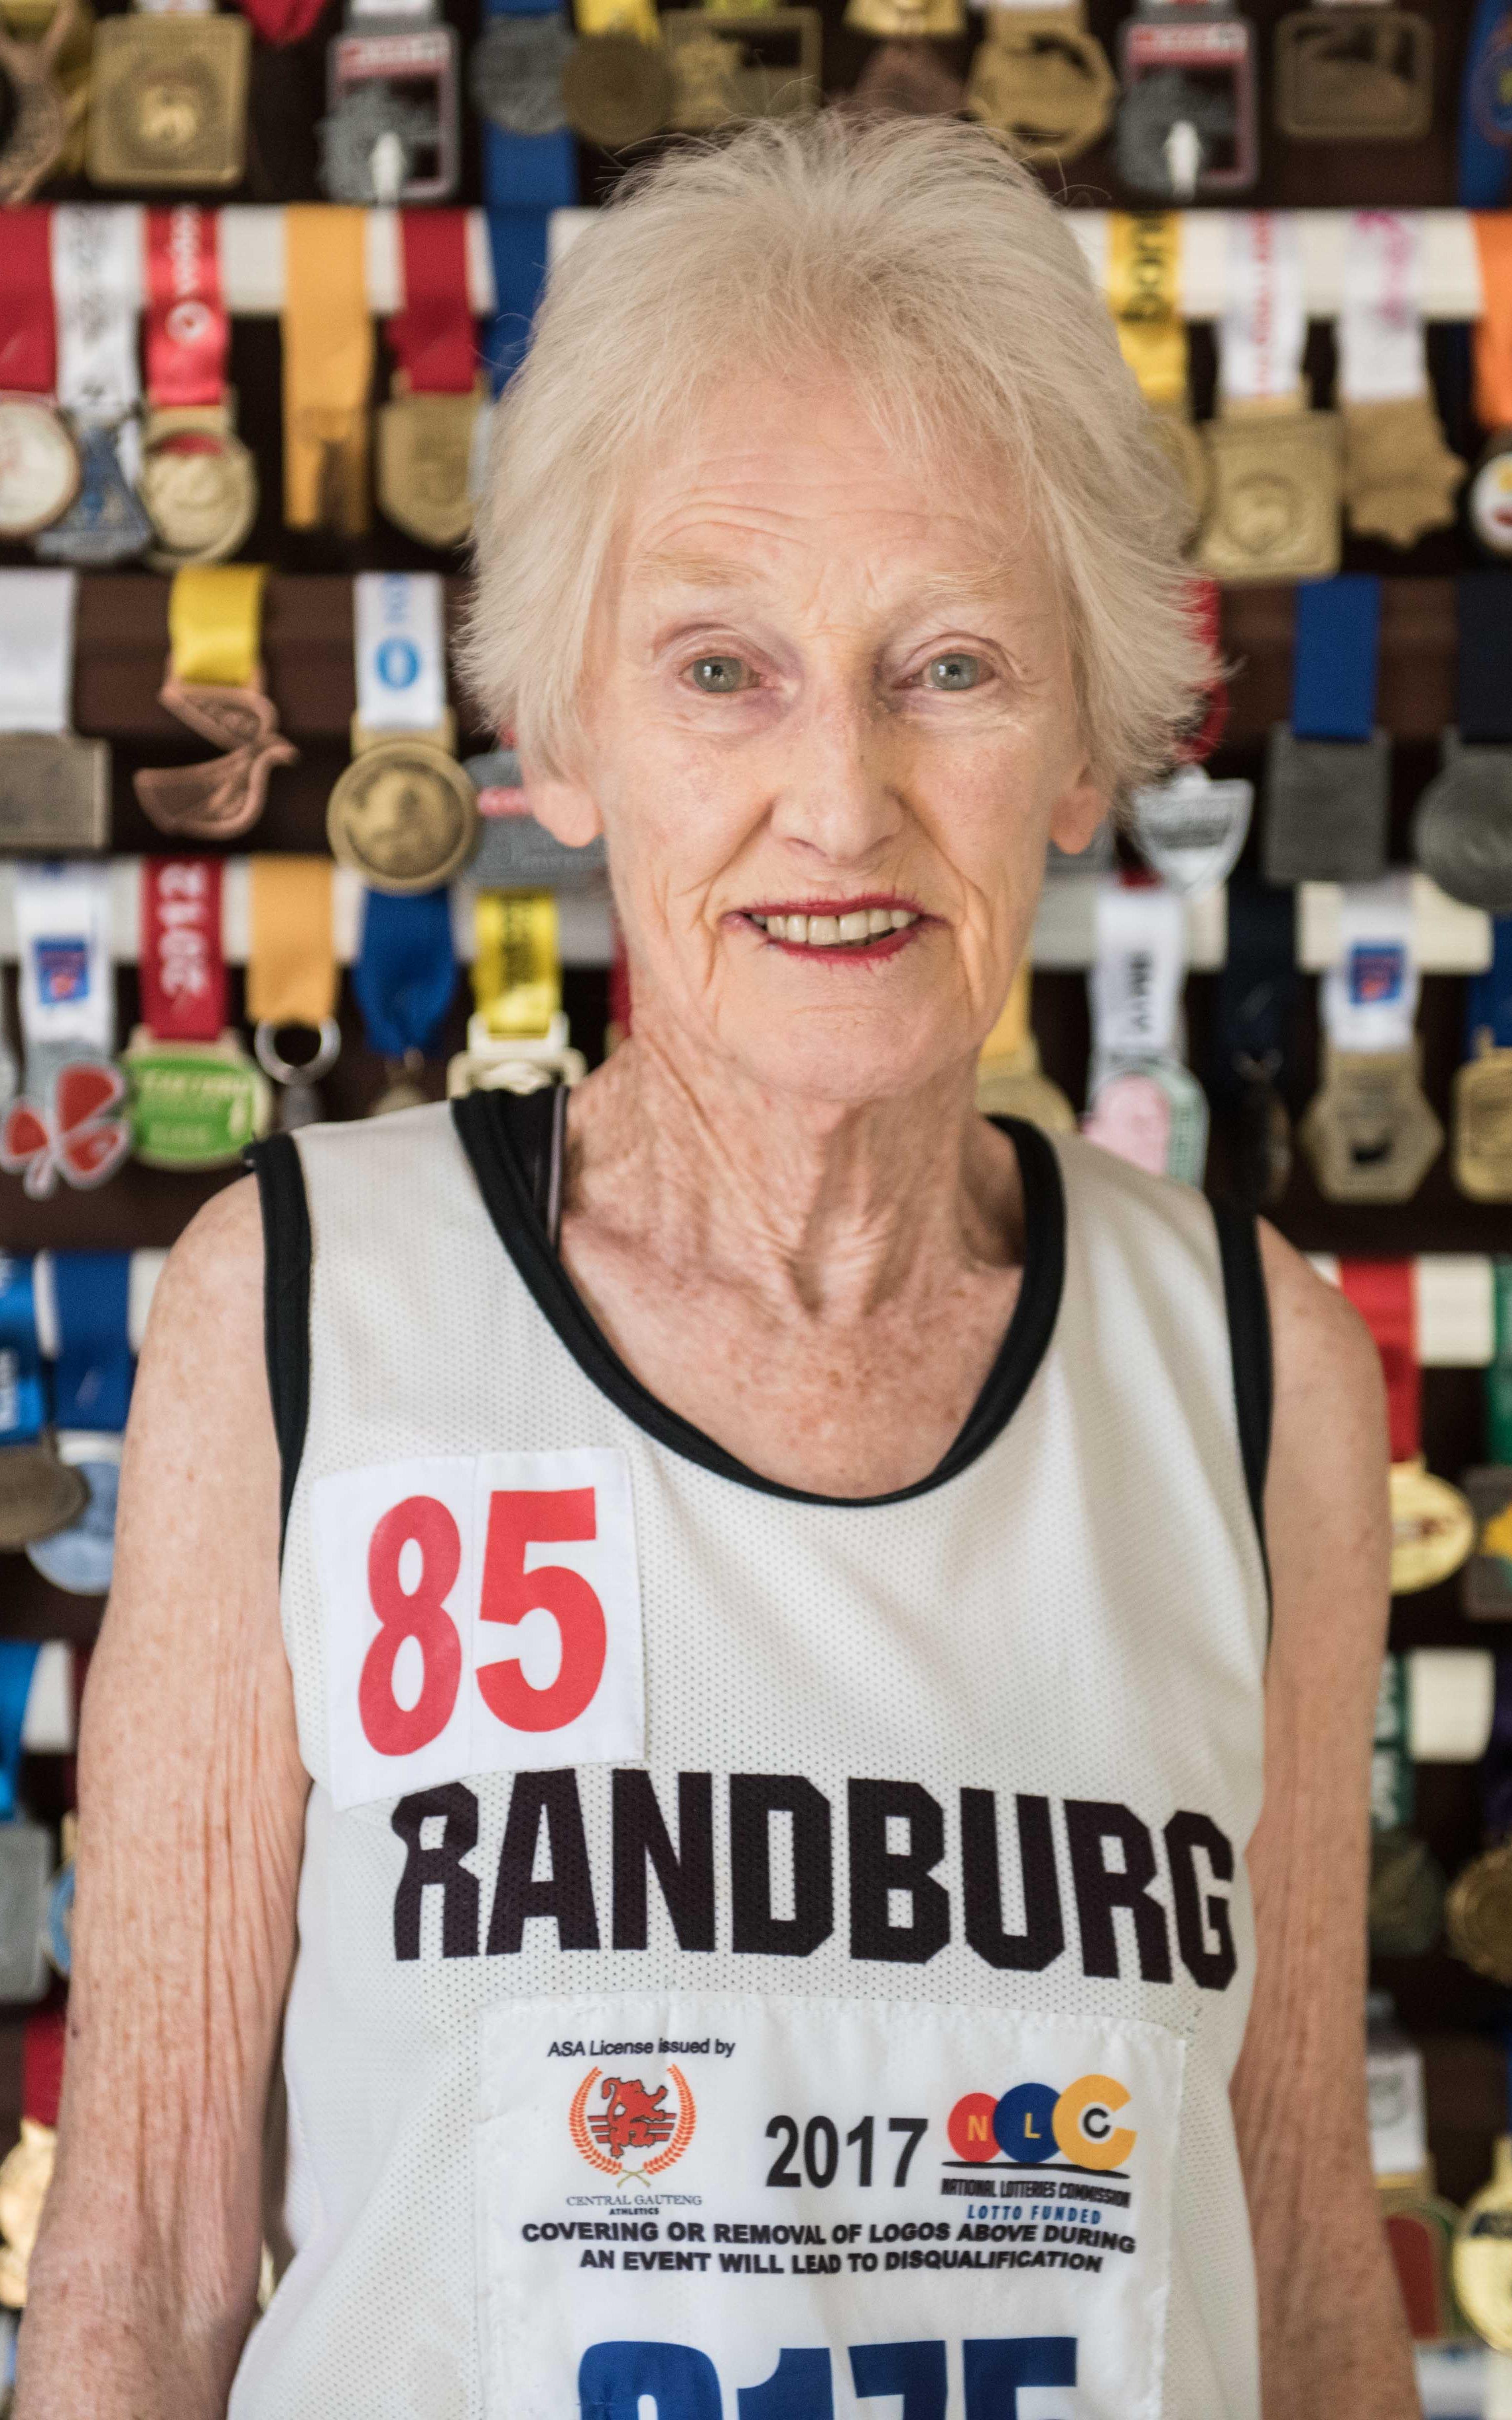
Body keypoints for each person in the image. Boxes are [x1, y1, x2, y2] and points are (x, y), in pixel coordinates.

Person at [19, 117, 1413, 2420]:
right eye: (721, 671)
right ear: (562, 736)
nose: (842, 798)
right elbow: (143, 2274)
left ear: (1091, 741)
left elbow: (1298, 2273)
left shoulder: (1257, 1374)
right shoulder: (294, 1316)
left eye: (949, 664)